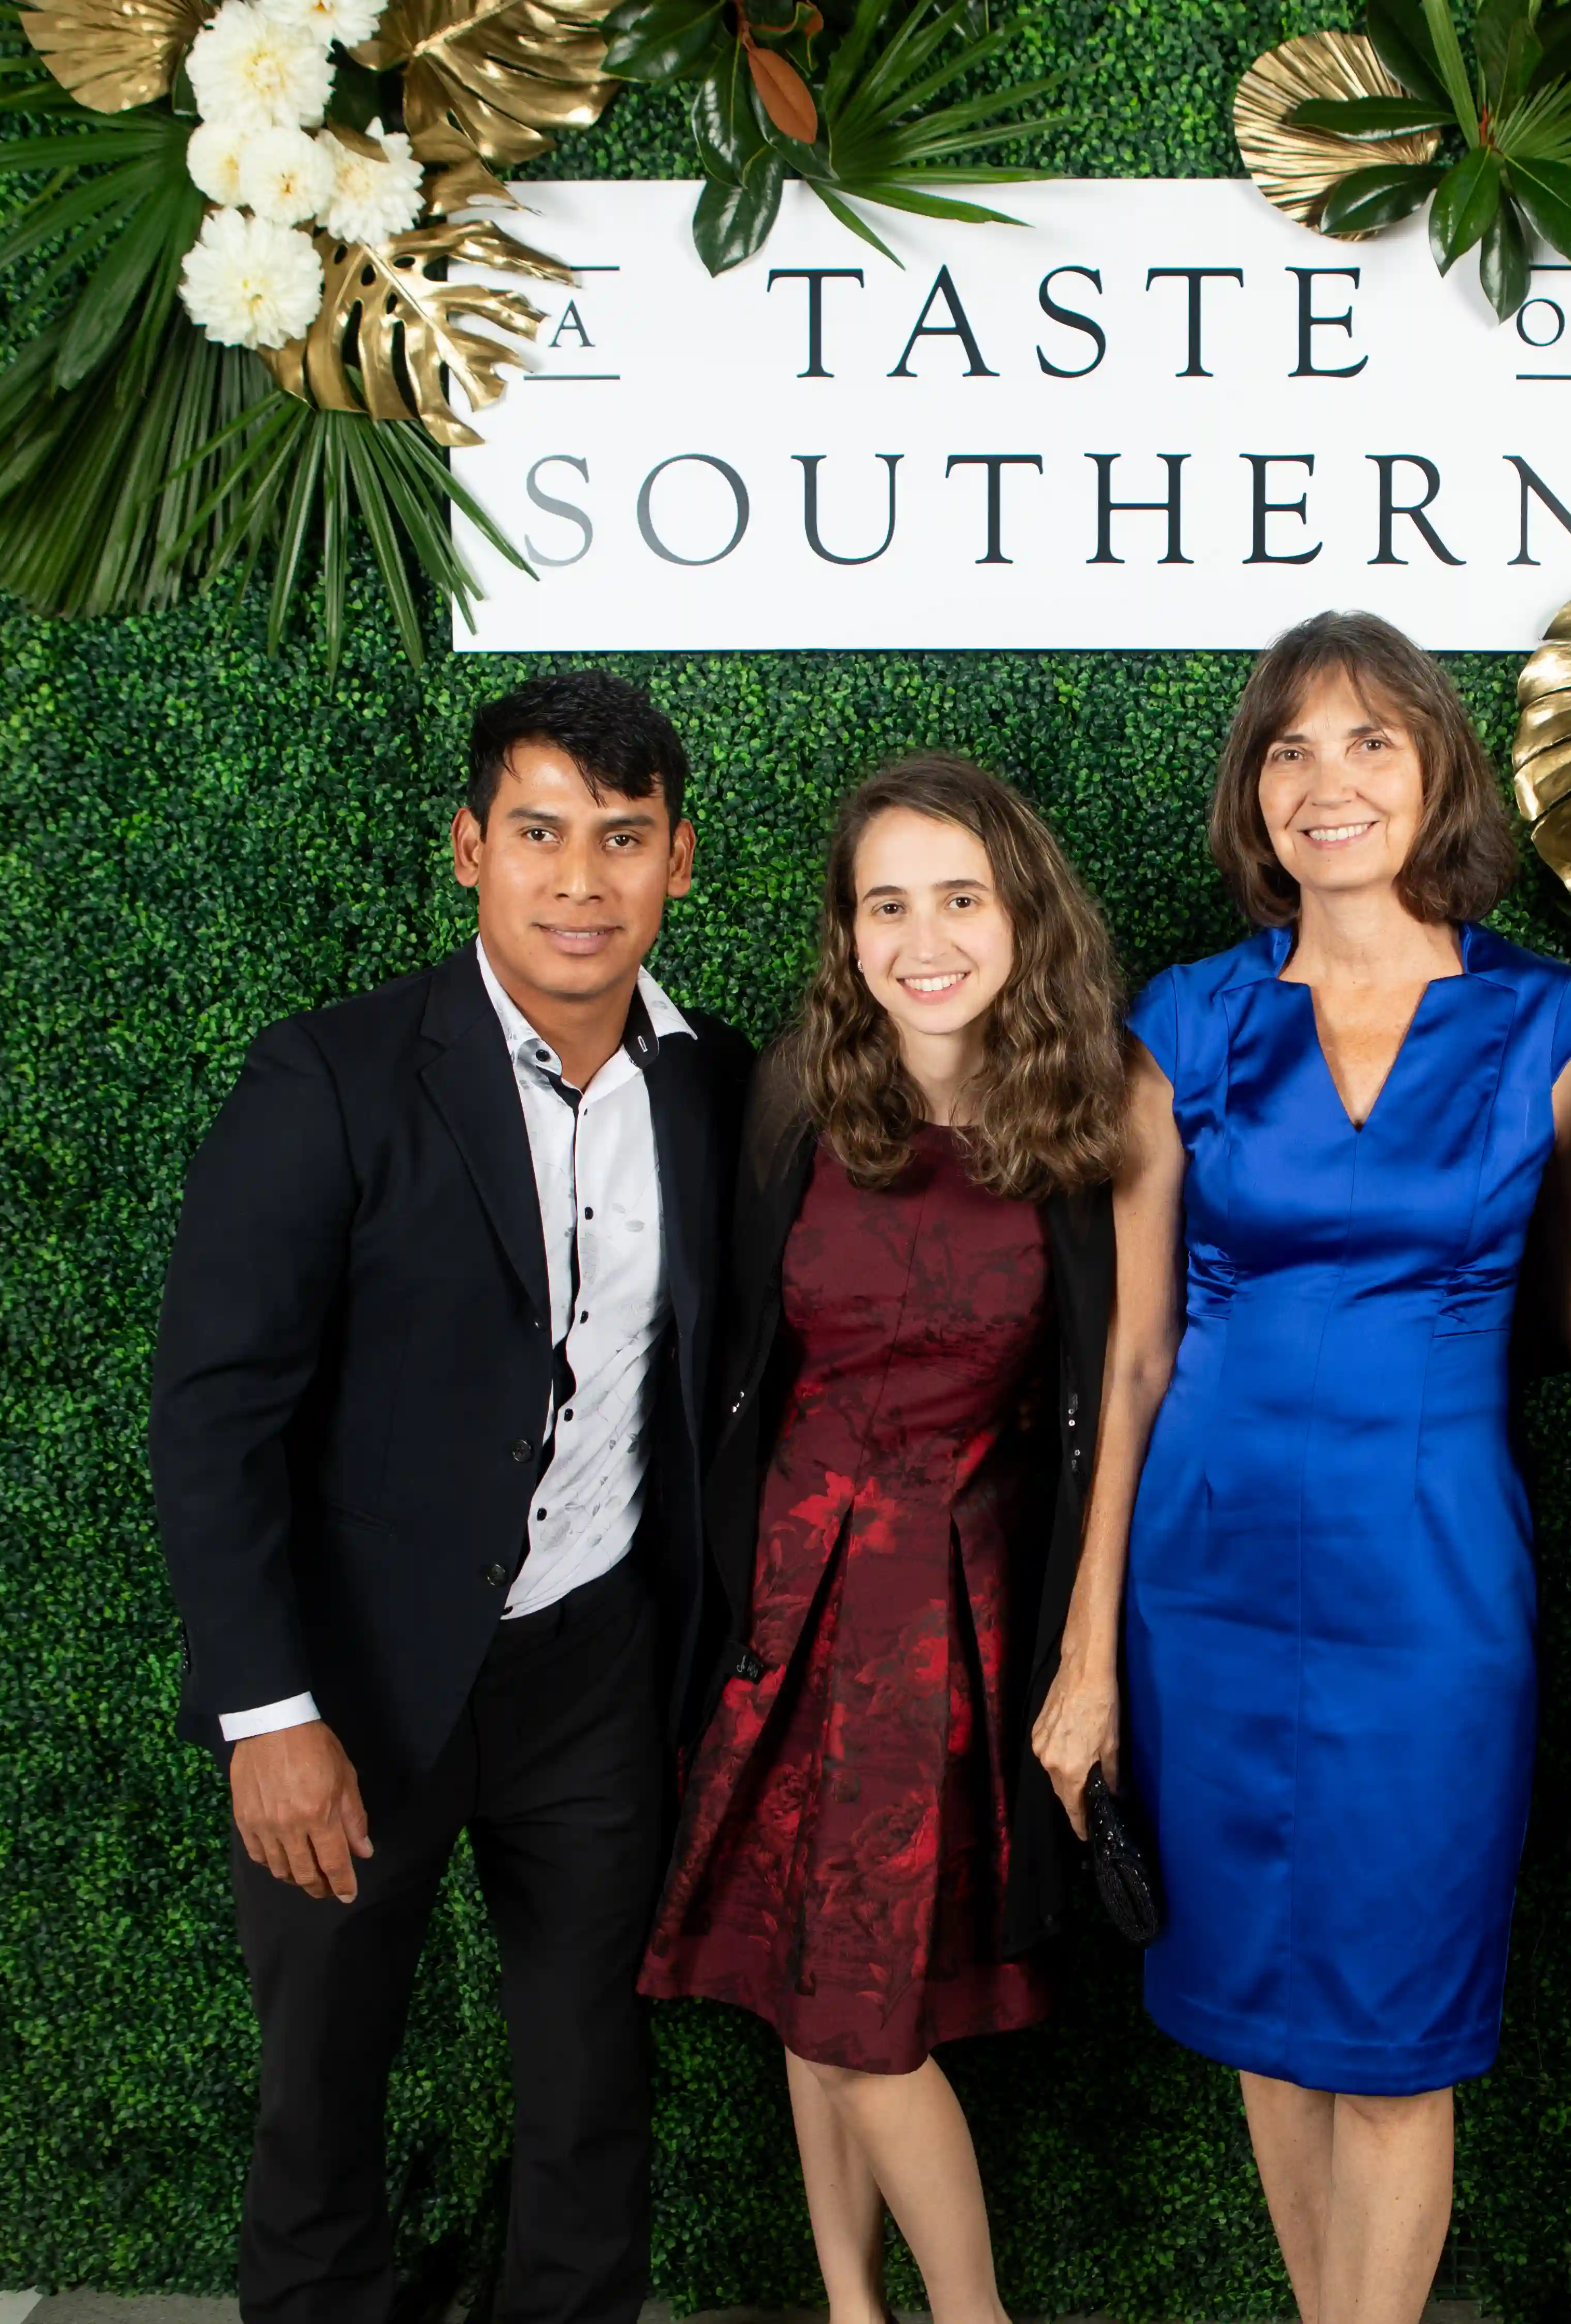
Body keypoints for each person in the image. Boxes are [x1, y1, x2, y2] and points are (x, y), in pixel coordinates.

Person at [148, 670, 752, 2324]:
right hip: (354, 1684)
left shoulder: (715, 1085)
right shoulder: (331, 1077)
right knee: (322, 2088)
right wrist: (268, 1712)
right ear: (470, 848)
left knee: (590, 2084)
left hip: (594, 1673)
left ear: (679, 858)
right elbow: (214, 1414)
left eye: (621, 837)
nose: (581, 880)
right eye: (540, 833)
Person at [1034, 611, 1571, 2324]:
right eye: (1289, 748)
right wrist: (1087, 1658)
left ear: (1437, 772)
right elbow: (1136, 1358)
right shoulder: (1185, 1021)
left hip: (1432, 1598)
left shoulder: (1546, 1026)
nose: (1326, 781)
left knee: (1396, 2042)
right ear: (1253, 792)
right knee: (1264, 2027)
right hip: (1205, 1593)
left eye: (1370, 741)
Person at [643, 755, 1124, 2324]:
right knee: (809, 1986)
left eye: (961, 899)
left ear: (1024, 913)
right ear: (847, 932)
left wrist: (1083, 1652)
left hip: (943, 1618)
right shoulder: (798, 1090)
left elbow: (1122, 1387)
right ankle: (853, 2310)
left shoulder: (1092, 1113)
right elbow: (729, 1359)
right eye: (886, 904)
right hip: (784, 1607)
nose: (924, 941)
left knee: (862, 2018)